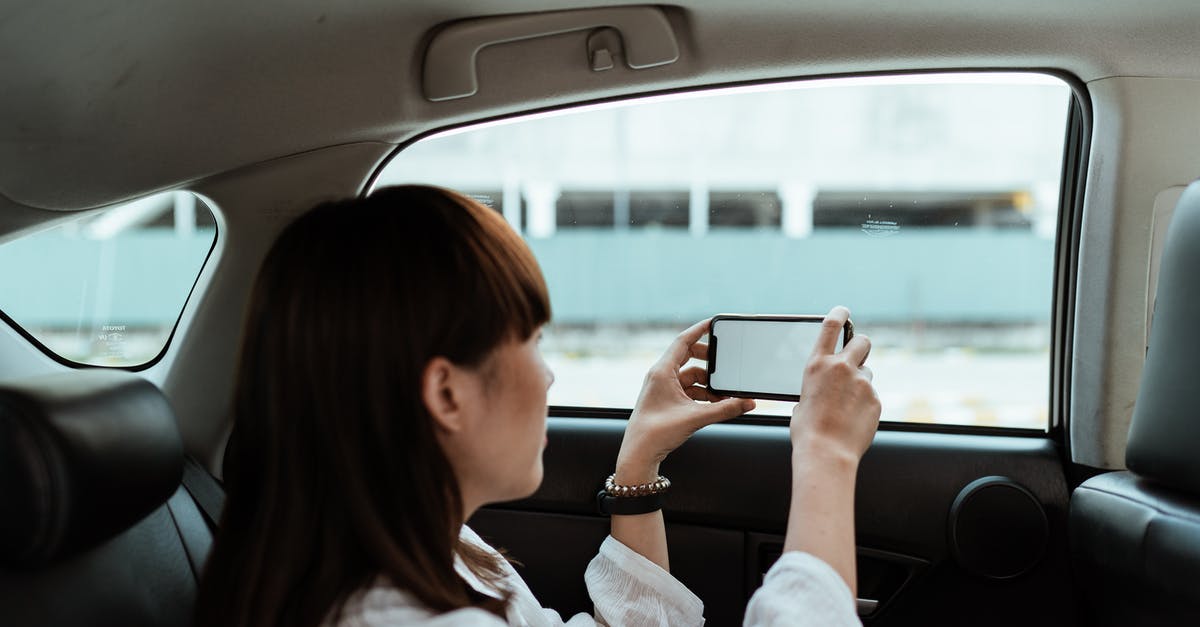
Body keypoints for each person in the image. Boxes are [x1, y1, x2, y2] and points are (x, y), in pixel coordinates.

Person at [195, 185, 881, 627]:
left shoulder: (434, 553)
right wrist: (825, 456)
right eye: (532, 340)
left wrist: (638, 462)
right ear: (446, 392)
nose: (550, 374)